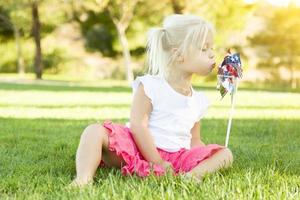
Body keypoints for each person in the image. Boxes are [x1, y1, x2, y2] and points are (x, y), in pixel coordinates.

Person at [71, 14, 233, 187]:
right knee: (94, 131)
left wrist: (201, 155)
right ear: (178, 54)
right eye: (204, 48)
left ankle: (192, 177)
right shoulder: (150, 86)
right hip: (137, 148)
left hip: (175, 158)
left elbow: (194, 139)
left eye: (211, 48)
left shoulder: (199, 100)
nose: (212, 54)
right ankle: (83, 179)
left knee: (225, 154)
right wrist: (156, 161)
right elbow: (138, 125)